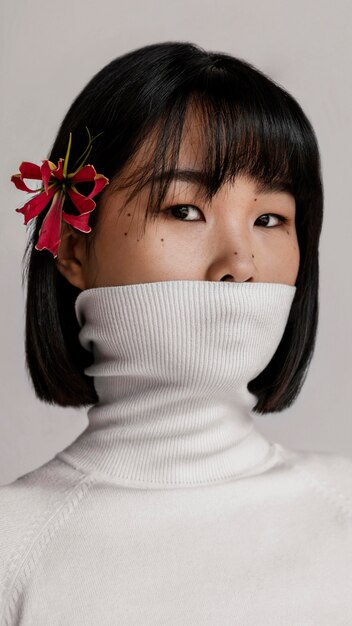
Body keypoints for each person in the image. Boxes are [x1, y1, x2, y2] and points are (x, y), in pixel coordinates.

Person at [1, 40, 351, 625]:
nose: (239, 262)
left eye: (271, 219)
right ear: (72, 246)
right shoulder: (12, 549)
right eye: (185, 210)